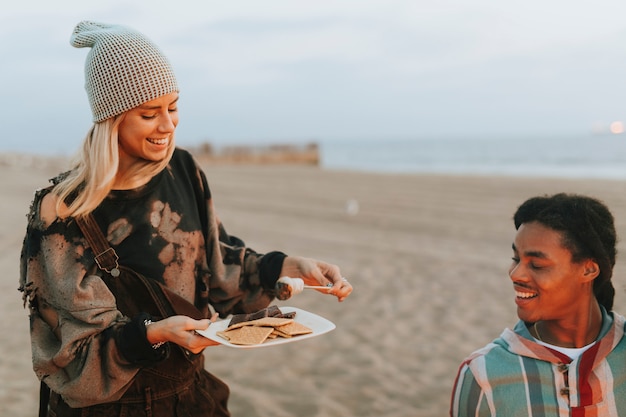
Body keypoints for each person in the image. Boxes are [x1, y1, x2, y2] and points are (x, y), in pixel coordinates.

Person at [19, 21, 352, 417]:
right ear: (112, 118)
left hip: (190, 397)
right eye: (149, 113)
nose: (168, 125)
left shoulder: (182, 169)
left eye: (173, 107)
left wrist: (285, 266)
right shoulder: (61, 211)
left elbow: (217, 266)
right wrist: (151, 334)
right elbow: (69, 354)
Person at [449, 193, 626, 416]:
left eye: (537, 264)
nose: (515, 274)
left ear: (588, 270)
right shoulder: (482, 374)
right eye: (516, 259)